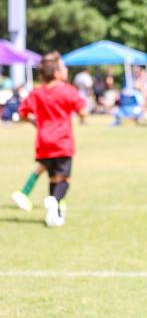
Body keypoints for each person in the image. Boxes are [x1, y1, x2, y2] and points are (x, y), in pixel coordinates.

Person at [17, 52, 85, 227]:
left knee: (53, 179)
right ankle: (54, 201)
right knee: (64, 181)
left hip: (43, 142)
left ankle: (54, 216)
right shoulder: (67, 90)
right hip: (62, 142)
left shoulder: (36, 93)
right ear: (56, 73)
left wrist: (35, 122)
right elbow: (82, 109)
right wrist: (83, 118)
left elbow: (22, 113)